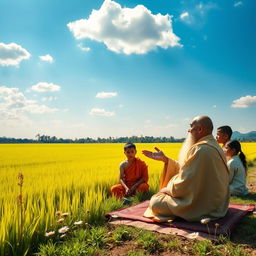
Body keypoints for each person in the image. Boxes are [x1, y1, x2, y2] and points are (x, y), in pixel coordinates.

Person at [142, 116, 230, 222]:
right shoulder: (214, 146)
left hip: (204, 207)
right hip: (217, 204)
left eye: (191, 126)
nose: (188, 130)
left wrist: (168, 189)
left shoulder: (201, 149)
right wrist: (166, 160)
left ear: (200, 129)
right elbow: (190, 170)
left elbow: (185, 183)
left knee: (155, 202)